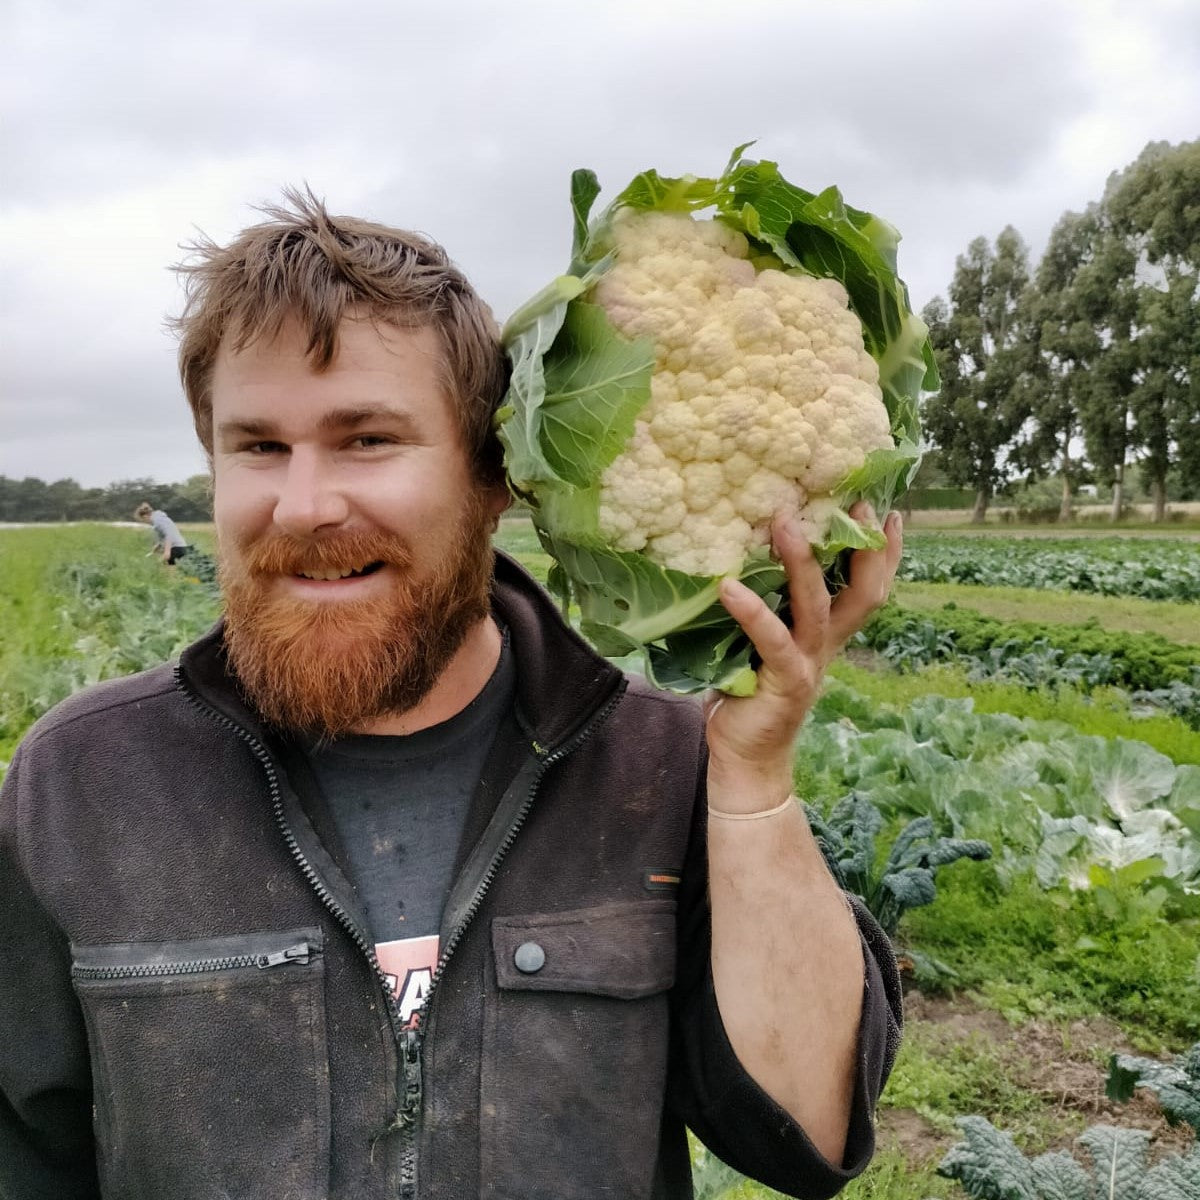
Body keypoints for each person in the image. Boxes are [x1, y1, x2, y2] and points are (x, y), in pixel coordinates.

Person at [0, 192, 903, 1200]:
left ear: (494, 474)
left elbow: (808, 1139)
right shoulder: (81, 782)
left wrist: (758, 776)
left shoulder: (656, 766)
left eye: (368, 439)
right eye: (258, 446)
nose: (303, 506)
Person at [133, 500, 190, 565]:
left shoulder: (157, 521)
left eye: (143, 521)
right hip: (181, 546)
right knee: (169, 568)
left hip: (176, 547)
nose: (145, 523)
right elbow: (163, 536)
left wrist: (167, 551)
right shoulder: (160, 518)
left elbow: (169, 534)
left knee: (161, 565)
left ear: (145, 516)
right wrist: (156, 549)